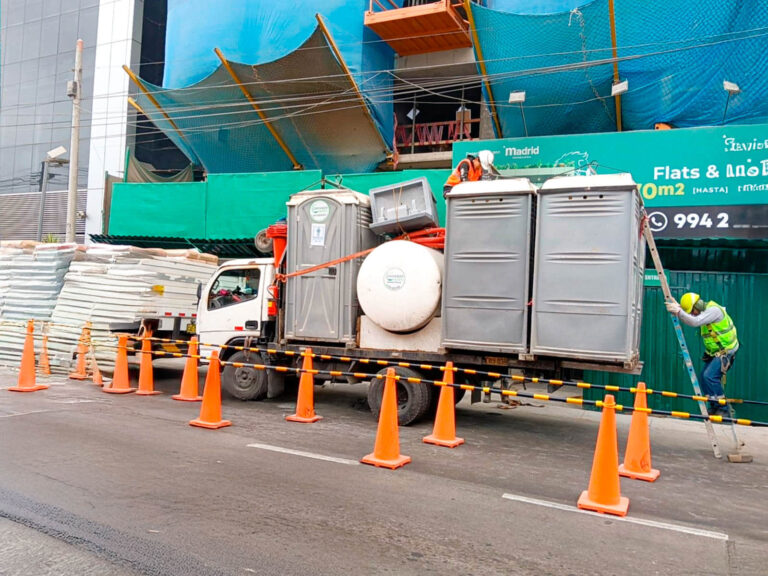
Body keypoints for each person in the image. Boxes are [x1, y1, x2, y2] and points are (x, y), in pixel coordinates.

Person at [666, 292, 739, 416]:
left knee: (709, 376)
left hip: (726, 351)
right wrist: (679, 307)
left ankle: (723, 408)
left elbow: (695, 321)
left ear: (698, 306)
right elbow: (693, 318)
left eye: (692, 311)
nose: (692, 314)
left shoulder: (714, 311)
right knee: (703, 377)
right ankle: (714, 405)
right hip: (716, 352)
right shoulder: (706, 312)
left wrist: (679, 312)